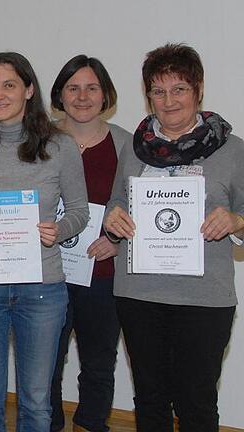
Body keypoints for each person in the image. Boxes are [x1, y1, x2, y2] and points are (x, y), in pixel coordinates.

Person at [103, 43, 243, 432]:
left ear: (198, 90)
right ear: (148, 96)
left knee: (196, 403)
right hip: (139, 295)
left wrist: (234, 219)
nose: (168, 100)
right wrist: (113, 216)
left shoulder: (233, 151)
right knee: (149, 400)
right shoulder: (135, 148)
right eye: (158, 91)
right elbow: (118, 199)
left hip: (204, 299)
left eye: (179, 88)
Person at [0, 52, 89, 431]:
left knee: (38, 403)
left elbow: (80, 210)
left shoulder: (60, 146)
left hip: (42, 289)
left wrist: (58, 230)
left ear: (29, 89)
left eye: (8, 85)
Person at [47, 55, 131, 432]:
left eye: (91, 88)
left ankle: (93, 424)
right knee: (45, 360)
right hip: (47, 273)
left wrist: (118, 242)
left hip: (103, 274)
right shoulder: (38, 140)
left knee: (99, 363)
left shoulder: (127, 145)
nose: (82, 97)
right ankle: (46, 423)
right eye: (73, 88)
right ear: (60, 95)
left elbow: (145, 206)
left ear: (105, 94)